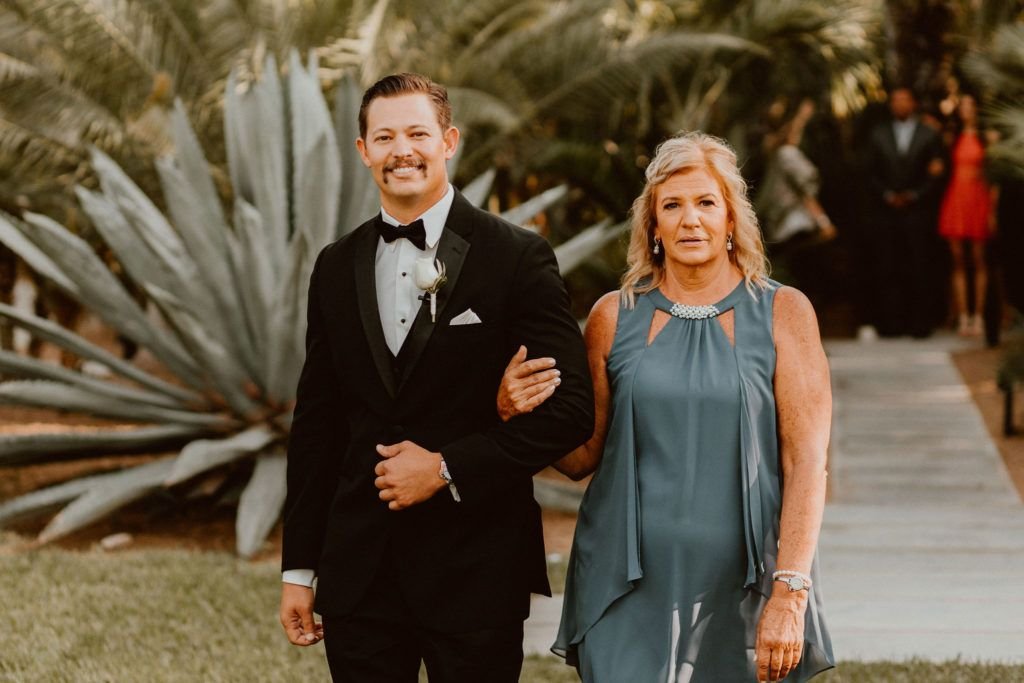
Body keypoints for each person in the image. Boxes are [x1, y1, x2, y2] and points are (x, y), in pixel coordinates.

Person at [278, 72, 594, 683]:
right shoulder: (335, 265)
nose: (403, 151)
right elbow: (316, 423)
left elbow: (570, 411)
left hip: (475, 567)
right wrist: (299, 570)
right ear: (362, 149)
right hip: (359, 569)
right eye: (385, 136)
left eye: (418, 133)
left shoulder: (516, 257)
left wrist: (446, 466)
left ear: (448, 141)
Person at [501, 132, 834, 681]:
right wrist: (518, 409)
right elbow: (581, 456)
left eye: (706, 202)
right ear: (652, 226)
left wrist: (791, 590)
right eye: (671, 206)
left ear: (732, 218)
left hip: (743, 585)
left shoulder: (784, 312)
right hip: (624, 582)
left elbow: (806, 464)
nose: (690, 220)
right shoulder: (614, 316)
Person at [866, 87, 945, 338]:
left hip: (918, 211)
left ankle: (920, 324)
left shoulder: (928, 134)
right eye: (895, 100)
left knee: (920, 266)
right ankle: (892, 324)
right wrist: (887, 194)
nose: (900, 105)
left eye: (904, 100)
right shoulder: (878, 134)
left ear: (914, 104)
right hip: (886, 211)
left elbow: (937, 172)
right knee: (889, 266)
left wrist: (916, 194)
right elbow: (869, 172)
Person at [938, 94, 998, 336]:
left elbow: (993, 174)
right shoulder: (952, 137)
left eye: (970, 105)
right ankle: (963, 316)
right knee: (958, 259)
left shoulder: (988, 137)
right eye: (962, 106)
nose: (966, 110)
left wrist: (993, 207)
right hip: (957, 196)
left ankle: (980, 316)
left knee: (979, 257)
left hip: (978, 196)